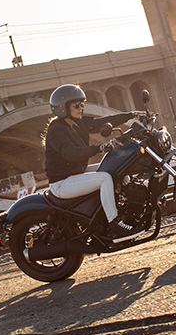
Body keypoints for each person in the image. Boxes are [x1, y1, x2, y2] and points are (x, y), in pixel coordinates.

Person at [44, 84, 144, 242]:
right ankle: (114, 225)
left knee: (117, 168)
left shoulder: (78, 124)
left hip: (76, 174)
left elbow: (104, 121)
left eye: (82, 104)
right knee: (104, 178)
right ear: (62, 108)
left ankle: (126, 212)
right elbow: (70, 153)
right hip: (62, 182)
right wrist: (100, 147)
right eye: (76, 105)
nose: (80, 108)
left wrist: (131, 115)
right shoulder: (56, 130)